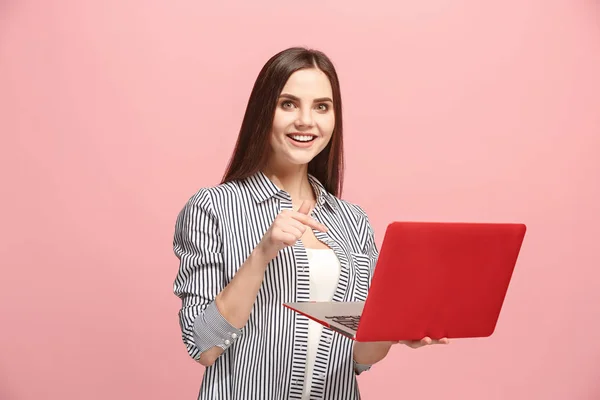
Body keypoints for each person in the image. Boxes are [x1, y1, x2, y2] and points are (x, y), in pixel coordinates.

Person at [172, 47, 449, 400]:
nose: (306, 120)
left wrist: (395, 331)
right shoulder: (213, 208)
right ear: (263, 112)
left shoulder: (353, 220)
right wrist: (262, 254)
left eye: (321, 106)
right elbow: (203, 346)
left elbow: (359, 358)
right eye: (288, 104)